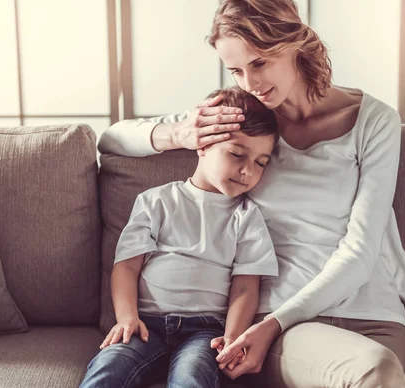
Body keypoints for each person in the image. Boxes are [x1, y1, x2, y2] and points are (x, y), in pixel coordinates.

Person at [97, 0, 405, 388]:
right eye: (235, 70)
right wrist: (180, 134)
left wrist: (271, 325)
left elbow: (361, 250)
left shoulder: (374, 121)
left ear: (294, 44)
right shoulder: (242, 122)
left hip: (373, 316)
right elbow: (111, 138)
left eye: (259, 63)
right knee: (374, 371)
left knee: (379, 366)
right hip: (288, 324)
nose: (249, 82)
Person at [80, 87, 280, 388]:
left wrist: (231, 336)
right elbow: (127, 266)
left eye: (260, 162)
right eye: (237, 154)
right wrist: (126, 318)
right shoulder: (156, 201)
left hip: (205, 331)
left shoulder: (247, 217)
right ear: (202, 146)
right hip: (146, 325)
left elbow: (245, 287)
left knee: (192, 378)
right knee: (109, 368)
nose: (247, 171)